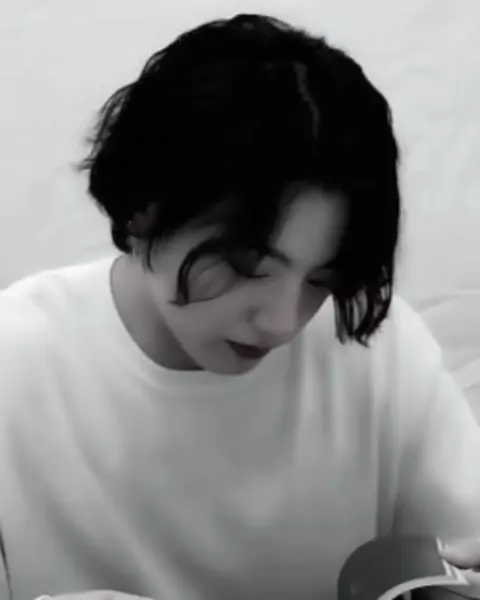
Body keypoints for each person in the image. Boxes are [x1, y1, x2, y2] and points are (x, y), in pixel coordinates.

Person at [1, 12, 479, 600]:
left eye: (321, 279)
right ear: (145, 208)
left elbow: (461, 555)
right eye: (247, 265)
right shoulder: (16, 364)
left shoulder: (382, 356)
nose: (282, 321)